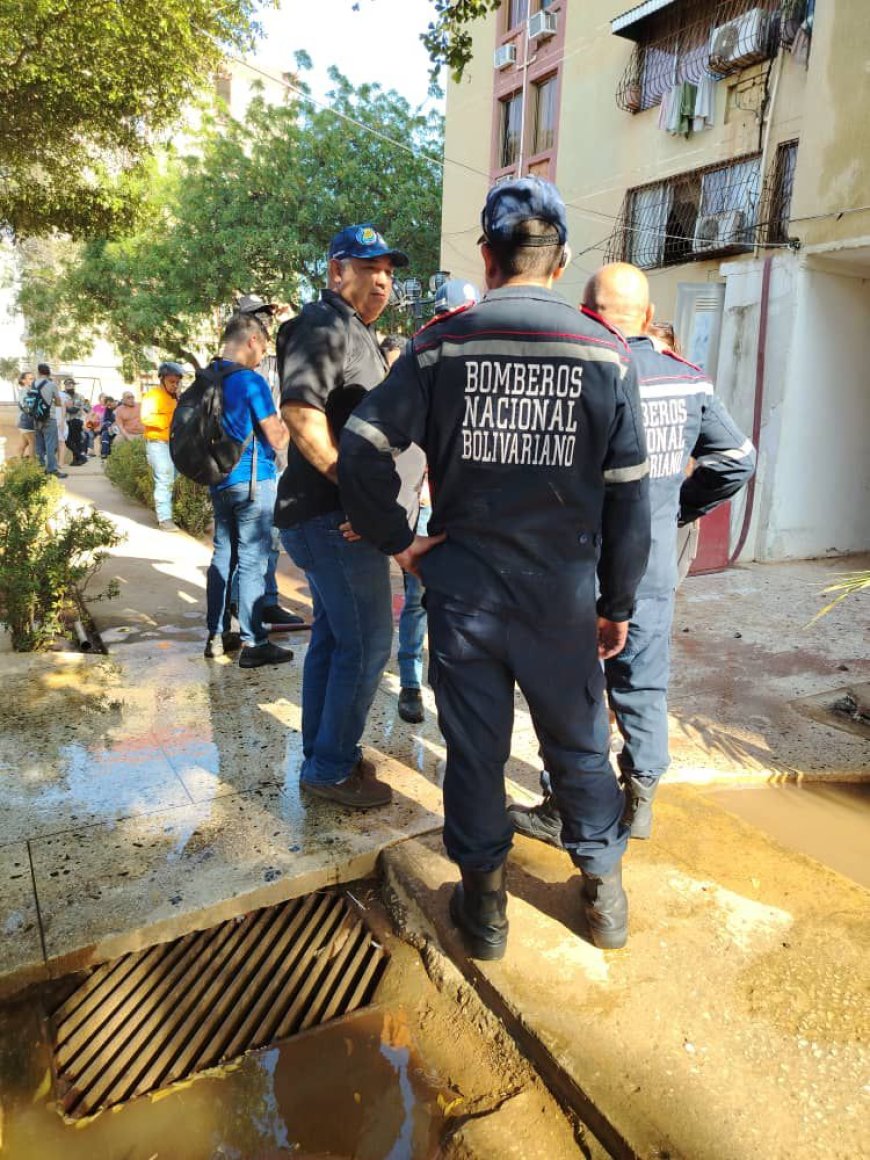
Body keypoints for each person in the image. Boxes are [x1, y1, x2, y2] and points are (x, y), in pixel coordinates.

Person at [338, 178, 651, 958]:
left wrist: (399, 540)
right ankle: (603, 897)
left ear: (487, 254)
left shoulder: (444, 342)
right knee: (577, 746)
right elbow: (629, 501)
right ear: (563, 257)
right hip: (562, 601)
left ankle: (485, 912)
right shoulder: (606, 352)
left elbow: (362, 445)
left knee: (475, 752)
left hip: (466, 596)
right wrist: (616, 603)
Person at [510, 262, 756, 847]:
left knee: (573, 693)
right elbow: (738, 458)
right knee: (643, 687)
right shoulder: (688, 380)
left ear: (589, 315)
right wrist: (677, 511)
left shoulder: (575, 378)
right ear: (648, 318)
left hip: (575, 570)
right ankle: (640, 800)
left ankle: (565, 804)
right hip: (649, 569)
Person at [275, 223, 414, 811]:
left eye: (388, 269)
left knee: (335, 643)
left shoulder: (353, 331)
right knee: (368, 645)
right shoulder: (323, 324)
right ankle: (330, 770)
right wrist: (360, 498)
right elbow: (302, 416)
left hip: (330, 518)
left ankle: (323, 754)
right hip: (334, 521)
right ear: (337, 271)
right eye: (368, 267)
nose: (382, 279)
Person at [204, 314, 294, 669]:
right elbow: (277, 437)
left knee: (222, 555)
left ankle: (216, 634)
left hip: (219, 479)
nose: (262, 356)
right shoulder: (250, 381)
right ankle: (254, 642)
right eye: (263, 348)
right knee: (254, 560)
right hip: (253, 482)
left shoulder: (209, 376)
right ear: (252, 340)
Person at [141, 362, 184, 530]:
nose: (175, 385)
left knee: (173, 478)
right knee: (165, 478)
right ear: (162, 379)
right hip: (157, 444)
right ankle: (165, 519)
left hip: (172, 444)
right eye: (172, 382)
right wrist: (170, 421)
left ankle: (163, 510)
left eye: (177, 382)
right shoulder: (152, 396)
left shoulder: (175, 398)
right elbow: (146, 418)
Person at [31, 363, 67, 479]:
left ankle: (40, 469)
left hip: (36, 418)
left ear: (38, 372)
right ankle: (52, 469)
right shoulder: (51, 385)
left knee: (39, 445)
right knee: (51, 445)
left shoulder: (33, 384)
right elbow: (58, 402)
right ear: (48, 373)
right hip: (49, 418)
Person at [15, 371, 36, 459]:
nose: (33, 380)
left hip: (24, 419)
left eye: (33, 378)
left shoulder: (29, 390)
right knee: (32, 442)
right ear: (23, 381)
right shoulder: (25, 391)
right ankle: (32, 465)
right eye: (30, 378)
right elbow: (26, 407)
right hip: (26, 420)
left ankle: (19, 463)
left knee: (24, 443)